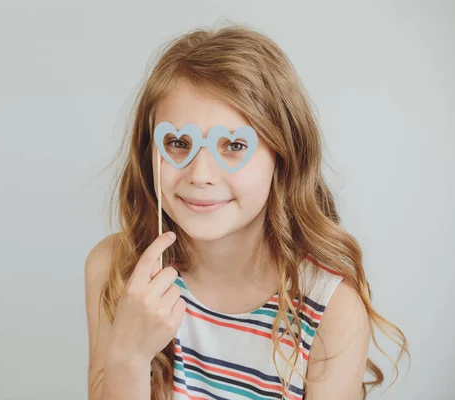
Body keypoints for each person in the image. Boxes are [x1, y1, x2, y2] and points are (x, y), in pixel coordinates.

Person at [85, 23, 410, 400]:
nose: (201, 175)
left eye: (235, 145)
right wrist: (129, 357)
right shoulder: (114, 268)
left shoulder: (330, 308)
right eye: (177, 142)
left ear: (283, 156)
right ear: (149, 152)